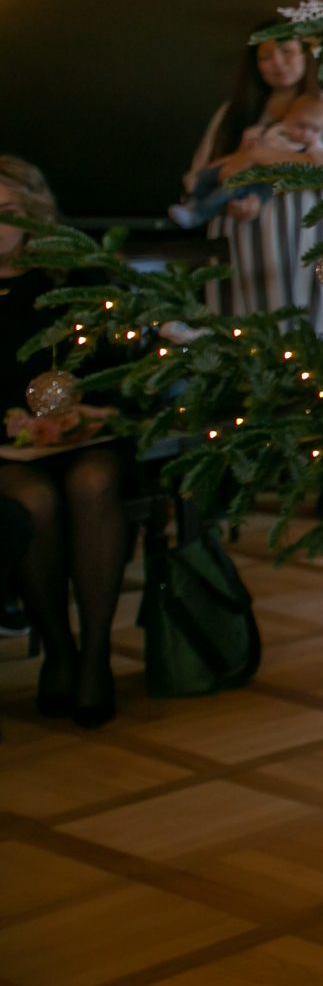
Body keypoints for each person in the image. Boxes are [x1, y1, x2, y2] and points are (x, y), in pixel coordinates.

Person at [0, 155, 133, 727]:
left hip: (85, 434)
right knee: (34, 500)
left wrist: (88, 410)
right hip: (9, 448)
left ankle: (96, 655)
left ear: (32, 214)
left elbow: (121, 362)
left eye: (7, 212)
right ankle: (58, 648)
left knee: (94, 484)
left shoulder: (75, 274)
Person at [185, 37, 323, 350]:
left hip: (310, 233)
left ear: (306, 56)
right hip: (242, 235)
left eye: (286, 52)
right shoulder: (236, 112)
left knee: (310, 318)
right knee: (247, 324)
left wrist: (258, 157)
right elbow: (199, 175)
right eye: (265, 56)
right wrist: (229, 203)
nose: (277, 63)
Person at [168, 93, 323, 229]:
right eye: (301, 126)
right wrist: (237, 157)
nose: (306, 134)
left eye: (315, 129)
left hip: (261, 183)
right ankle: (194, 200)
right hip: (242, 169)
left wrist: (258, 156)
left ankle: (197, 215)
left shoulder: (314, 146)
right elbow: (248, 149)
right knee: (207, 174)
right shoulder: (274, 131)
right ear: (287, 120)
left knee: (226, 191)